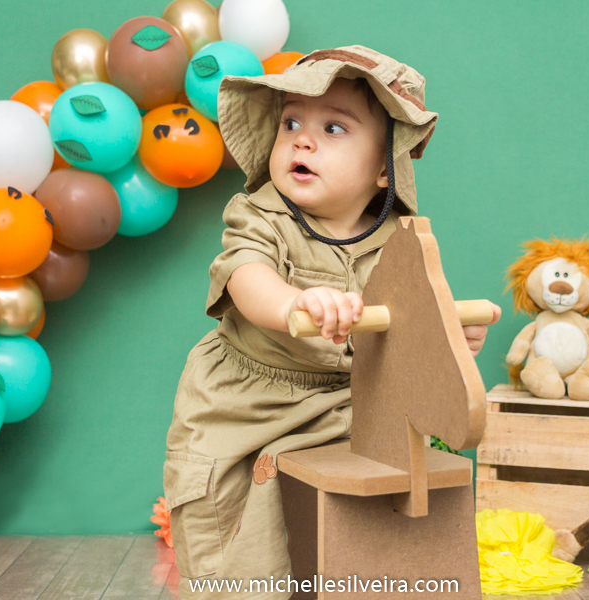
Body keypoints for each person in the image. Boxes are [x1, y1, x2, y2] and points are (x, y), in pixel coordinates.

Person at [163, 45, 500, 599]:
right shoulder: (258, 214)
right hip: (246, 404)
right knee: (235, 549)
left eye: (334, 128)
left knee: (366, 517)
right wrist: (295, 303)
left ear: (383, 167)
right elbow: (247, 279)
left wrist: (449, 340)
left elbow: (409, 328)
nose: (301, 138)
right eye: (291, 121)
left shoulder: (399, 240)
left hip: (350, 402)